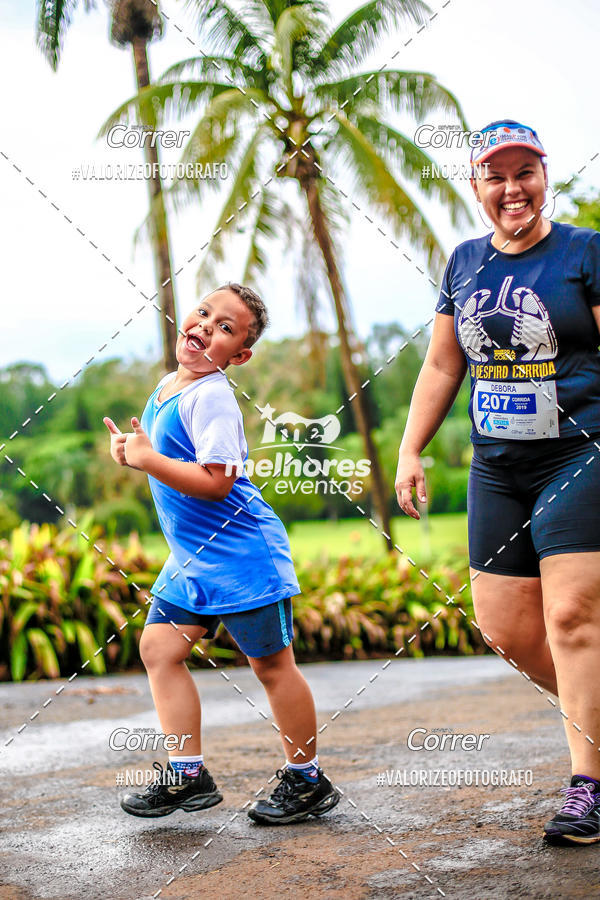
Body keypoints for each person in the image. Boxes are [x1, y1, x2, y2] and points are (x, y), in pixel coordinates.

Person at [395, 120, 600, 844]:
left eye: (525, 173)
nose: (513, 188)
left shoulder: (584, 251)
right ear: (476, 187)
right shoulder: (463, 261)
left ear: (544, 178)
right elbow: (443, 363)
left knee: (570, 617)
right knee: (507, 632)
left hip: (580, 452)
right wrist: (410, 448)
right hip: (498, 465)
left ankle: (587, 785)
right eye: (496, 176)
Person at [103, 283, 340, 824]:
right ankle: (188, 775)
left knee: (272, 668)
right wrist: (133, 453)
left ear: (239, 355)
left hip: (241, 555)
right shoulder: (169, 384)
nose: (207, 326)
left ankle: (307, 779)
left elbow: (216, 482)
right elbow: (166, 458)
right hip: (191, 558)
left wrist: (147, 461)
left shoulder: (212, 397)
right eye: (204, 312)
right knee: (159, 650)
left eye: (226, 328)